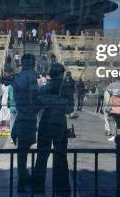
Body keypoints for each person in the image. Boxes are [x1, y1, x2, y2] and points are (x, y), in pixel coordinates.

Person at [33, 63, 71, 196]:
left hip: (46, 122)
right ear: (61, 74)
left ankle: (38, 187)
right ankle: (61, 188)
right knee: (60, 156)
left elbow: (36, 106)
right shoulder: (65, 90)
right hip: (59, 122)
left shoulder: (44, 89)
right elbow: (69, 109)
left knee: (42, 156)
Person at [12, 54, 39, 193]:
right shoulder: (32, 77)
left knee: (22, 151)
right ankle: (24, 180)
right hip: (29, 116)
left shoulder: (18, 78)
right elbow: (33, 99)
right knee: (26, 151)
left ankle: (23, 178)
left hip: (22, 116)